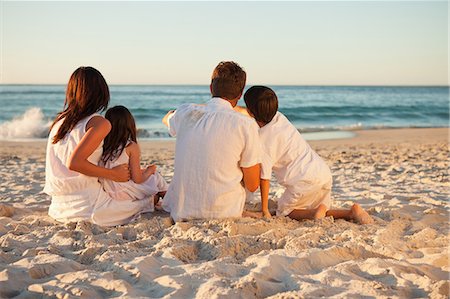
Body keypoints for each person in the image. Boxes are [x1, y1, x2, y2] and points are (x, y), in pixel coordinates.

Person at [243, 85, 373, 224]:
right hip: (322, 173)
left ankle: (315, 213)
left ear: (250, 112)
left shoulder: (263, 141)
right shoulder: (279, 118)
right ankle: (351, 212)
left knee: (284, 212)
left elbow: (264, 178)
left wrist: (265, 210)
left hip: (302, 181)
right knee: (317, 207)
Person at [44, 67, 154, 226]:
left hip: (58, 208)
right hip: (89, 208)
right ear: (101, 92)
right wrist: (112, 174)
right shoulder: (99, 123)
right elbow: (75, 163)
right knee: (141, 203)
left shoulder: (59, 122)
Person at [161, 61, 261, 222]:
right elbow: (252, 185)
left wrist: (171, 114)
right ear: (240, 95)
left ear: (210, 88)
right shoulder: (246, 124)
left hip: (182, 210)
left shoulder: (186, 111)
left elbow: (167, 119)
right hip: (225, 212)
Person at [99, 105, 168, 208]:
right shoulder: (130, 146)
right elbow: (137, 179)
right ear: (129, 124)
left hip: (110, 192)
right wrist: (150, 170)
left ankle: (157, 198)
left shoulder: (103, 145)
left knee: (151, 184)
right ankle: (170, 200)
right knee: (156, 176)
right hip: (124, 192)